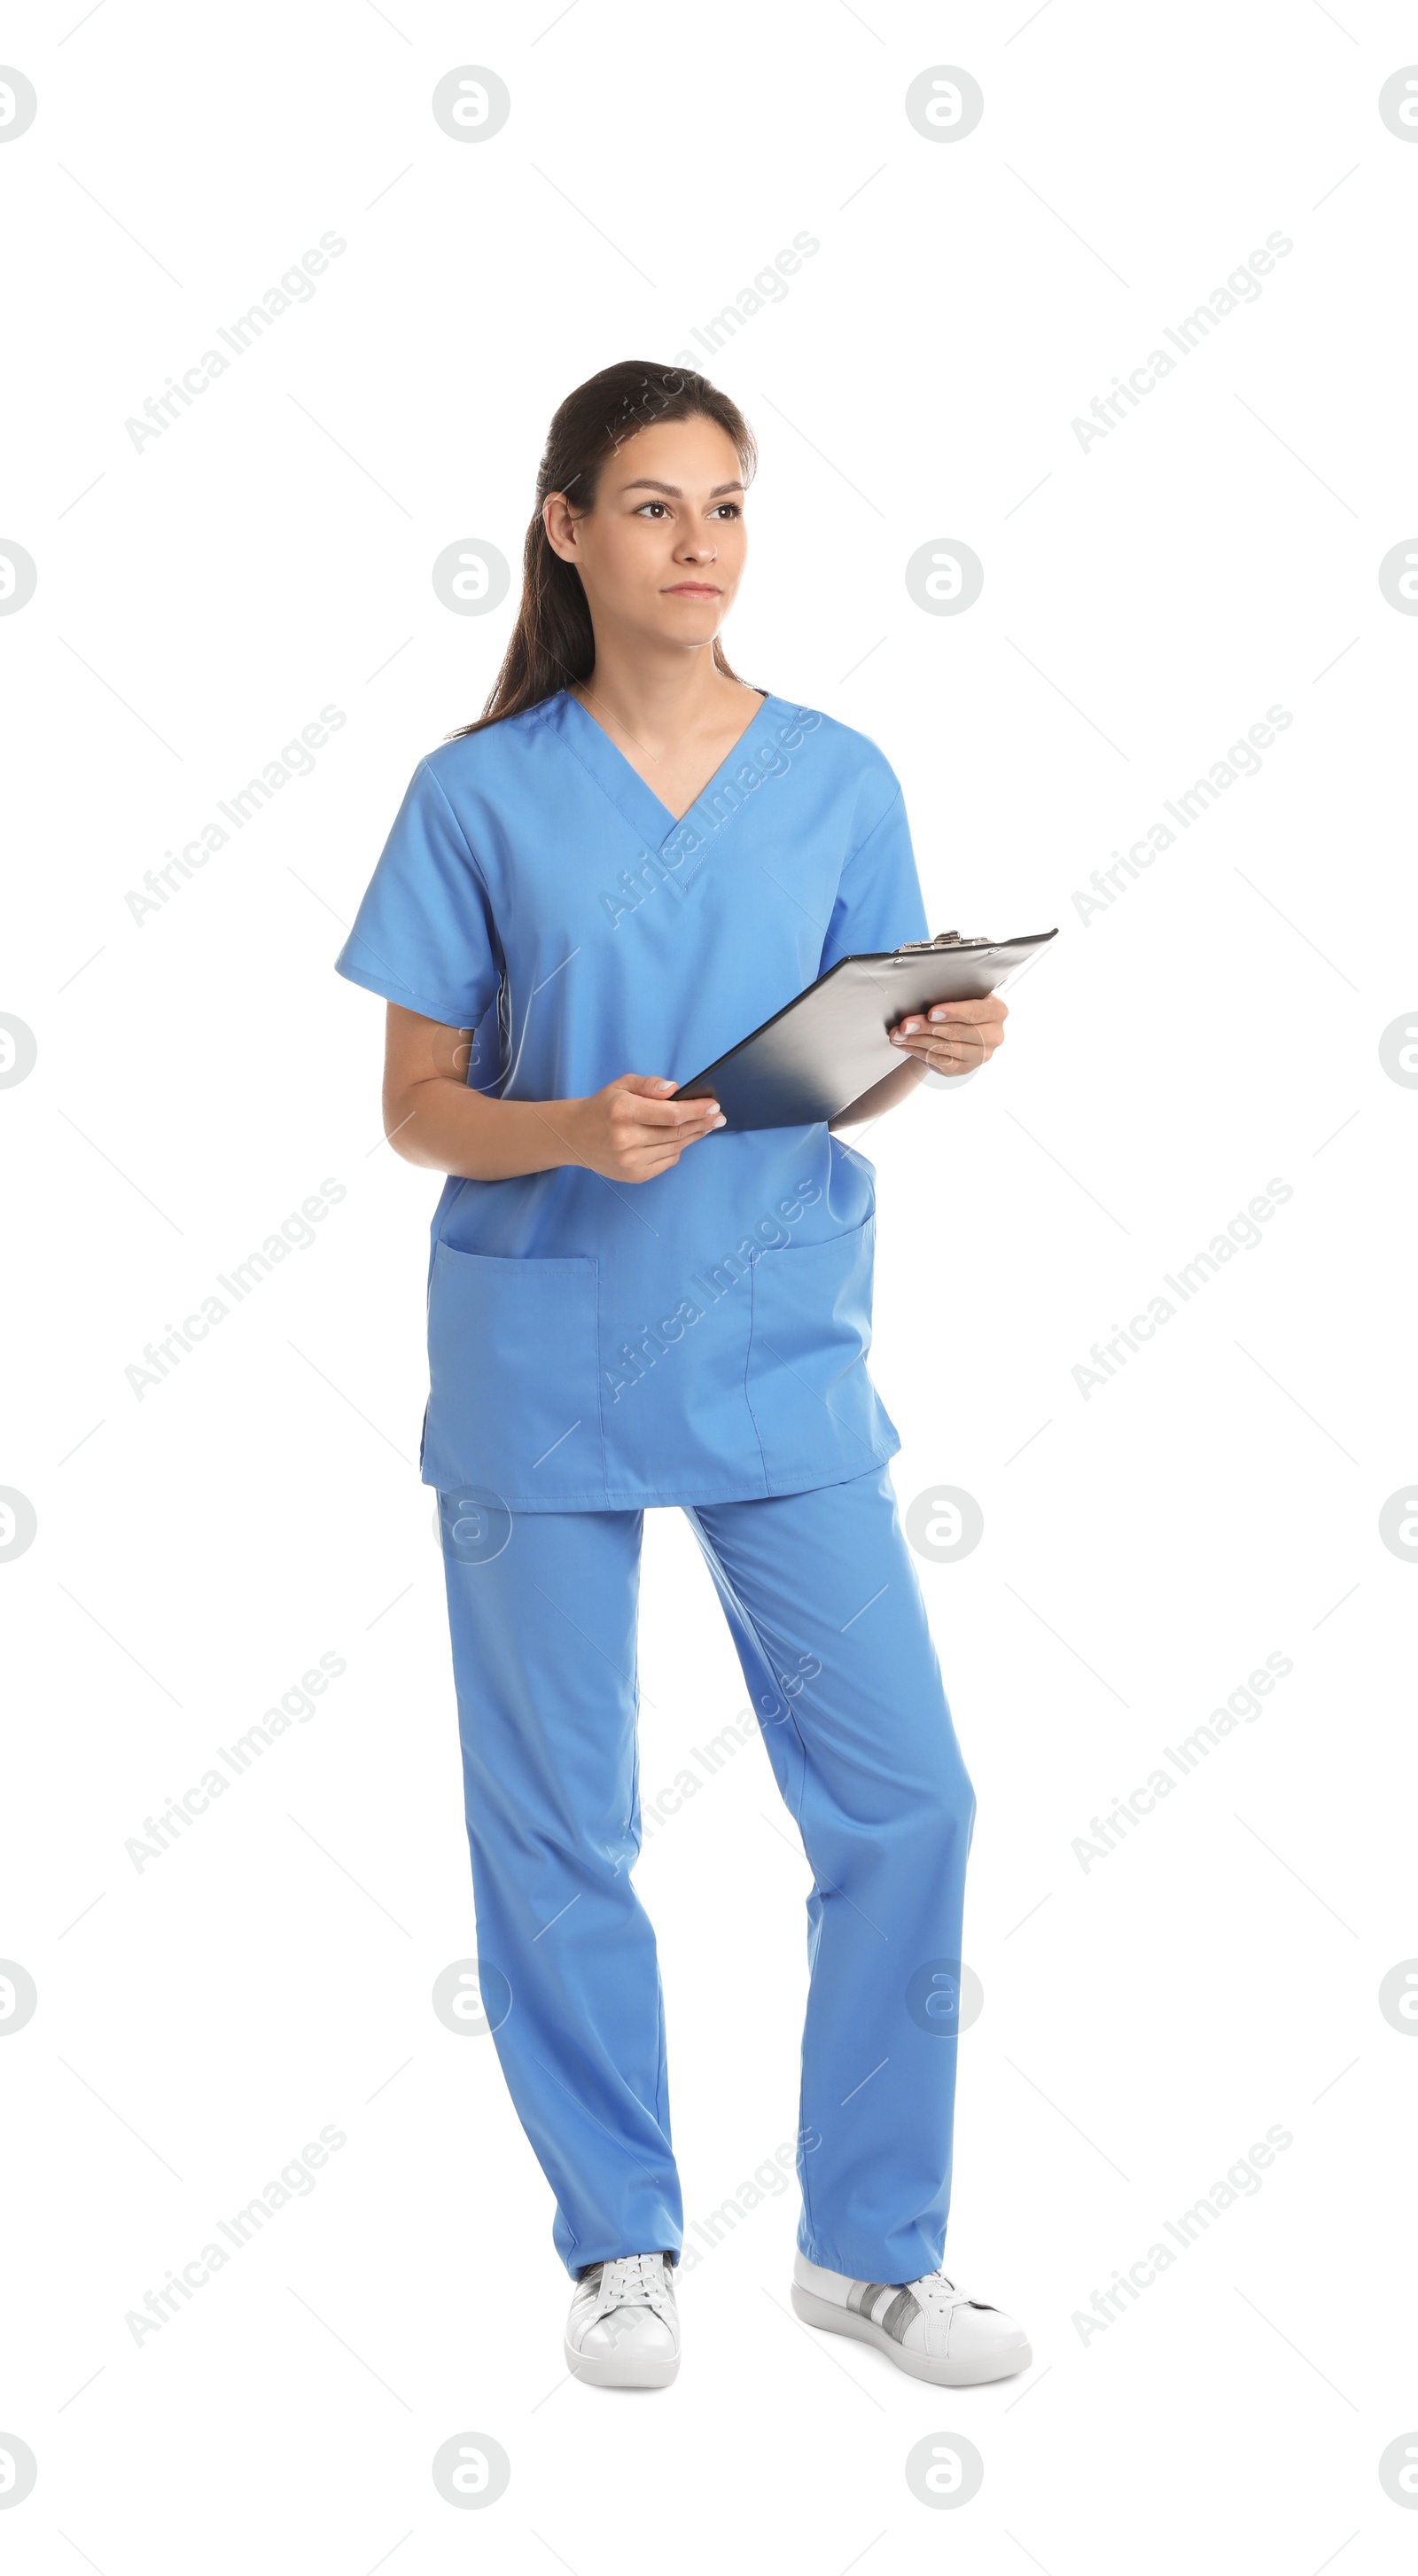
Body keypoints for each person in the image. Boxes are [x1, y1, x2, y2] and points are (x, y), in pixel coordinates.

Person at [335, 359, 1029, 2392]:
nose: (696, 546)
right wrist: (571, 1130)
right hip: (539, 1354)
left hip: (776, 1356)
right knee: (559, 1821)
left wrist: (934, 1048)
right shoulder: (476, 796)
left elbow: (849, 1067)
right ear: (563, 527)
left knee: (907, 1799)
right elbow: (410, 1108)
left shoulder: (835, 775)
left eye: (725, 506)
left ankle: (871, 2251)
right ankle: (620, 2238)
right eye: (651, 506)